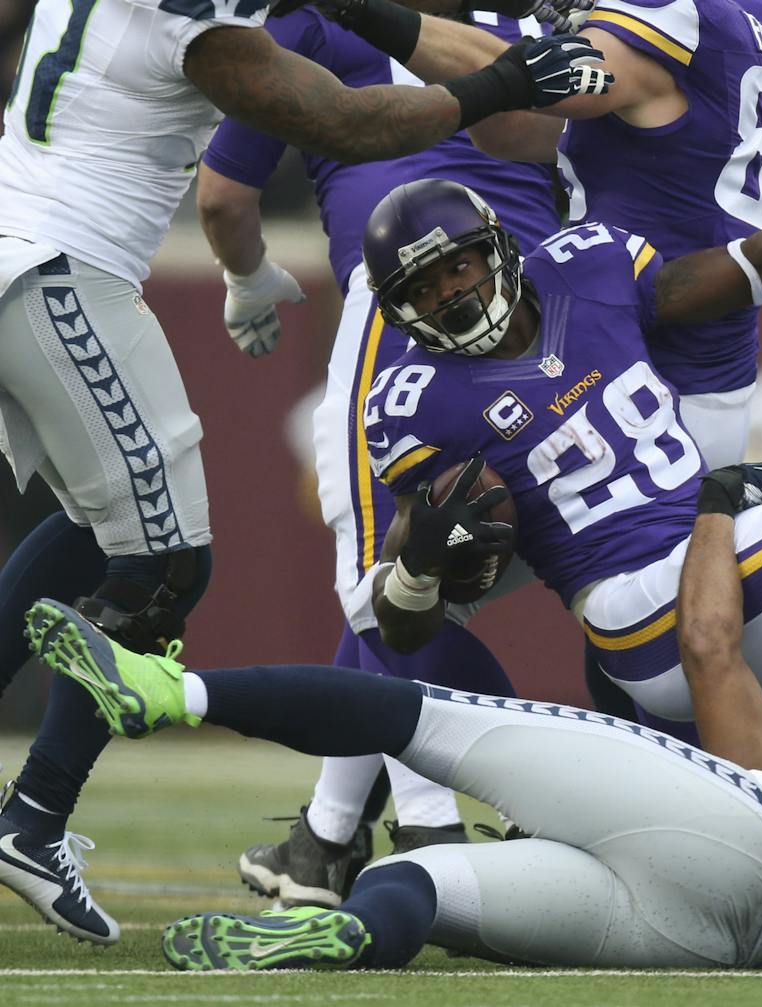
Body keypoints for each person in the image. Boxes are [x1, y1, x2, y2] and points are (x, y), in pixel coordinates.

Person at [0, 0, 609, 944]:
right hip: (58, 260)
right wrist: (507, 77)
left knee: (96, 532)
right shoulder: (202, 21)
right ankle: (34, 819)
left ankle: (332, 832)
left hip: (34, 244)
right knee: (168, 562)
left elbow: (253, 167)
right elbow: (345, 122)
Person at [19, 493, 762, 970]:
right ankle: (344, 936)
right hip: (709, 938)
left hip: (751, 832)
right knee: (429, 895)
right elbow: (716, 651)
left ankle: (170, 695)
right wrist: (717, 509)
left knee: (424, 716)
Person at [356, 178, 762, 826]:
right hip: (631, 609)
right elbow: (397, 623)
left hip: (735, 583)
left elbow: (714, 277)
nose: (451, 293)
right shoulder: (418, 401)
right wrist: (416, 567)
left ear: (495, 245)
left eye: (457, 265)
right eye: (423, 287)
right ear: (396, 306)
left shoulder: (584, 267)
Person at [195, 6, 562, 908]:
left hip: (408, 295)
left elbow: (222, 195)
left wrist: (244, 280)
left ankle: (442, 821)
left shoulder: (319, 26)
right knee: (519, 573)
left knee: (386, 582)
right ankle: (322, 837)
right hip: (546, 296)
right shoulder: (536, 24)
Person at [304, 0, 762, 468]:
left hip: (651, 367)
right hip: (679, 361)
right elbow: (513, 132)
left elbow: (532, 76)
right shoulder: (725, 33)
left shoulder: (667, 16)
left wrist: (361, 10)